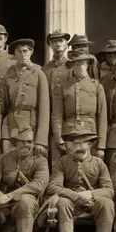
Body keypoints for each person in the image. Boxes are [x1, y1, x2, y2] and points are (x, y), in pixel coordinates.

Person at [40, 130, 116, 232]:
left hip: (92, 203)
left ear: (89, 145)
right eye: (75, 143)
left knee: (107, 203)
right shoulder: (64, 162)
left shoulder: (99, 163)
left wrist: (91, 194)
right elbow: (53, 186)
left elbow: (109, 189)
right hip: (72, 203)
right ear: (70, 146)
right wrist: (74, 196)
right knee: (62, 203)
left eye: (82, 143)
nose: (78, 147)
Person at [52, 48, 107, 159]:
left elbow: (102, 117)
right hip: (69, 134)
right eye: (76, 63)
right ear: (72, 65)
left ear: (87, 65)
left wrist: (101, 145)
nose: (80, 66)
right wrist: (59, 138)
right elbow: (57, 114)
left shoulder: (97, 86)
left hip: (90, 135)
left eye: (82, 63)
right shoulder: (63, 87)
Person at [2, 38, 49, 156]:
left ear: (31, 52)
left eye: (25, 51)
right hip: (10, 125)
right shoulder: (9, 74)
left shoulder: (39, 74)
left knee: (29, 163)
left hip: (30, 125)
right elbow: (3, 106)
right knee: (9, 162)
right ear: (15, 54)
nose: (22, 54)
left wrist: (41, 140)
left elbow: (44, 109)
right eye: (19, 51)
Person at [42, 29, 72, 164]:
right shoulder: (45, 69)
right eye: (54, 41)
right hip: (48, 118)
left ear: (66, 44)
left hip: (68, 118)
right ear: (50, 45)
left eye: (61, 41)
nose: (58, 44)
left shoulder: (72, 67)